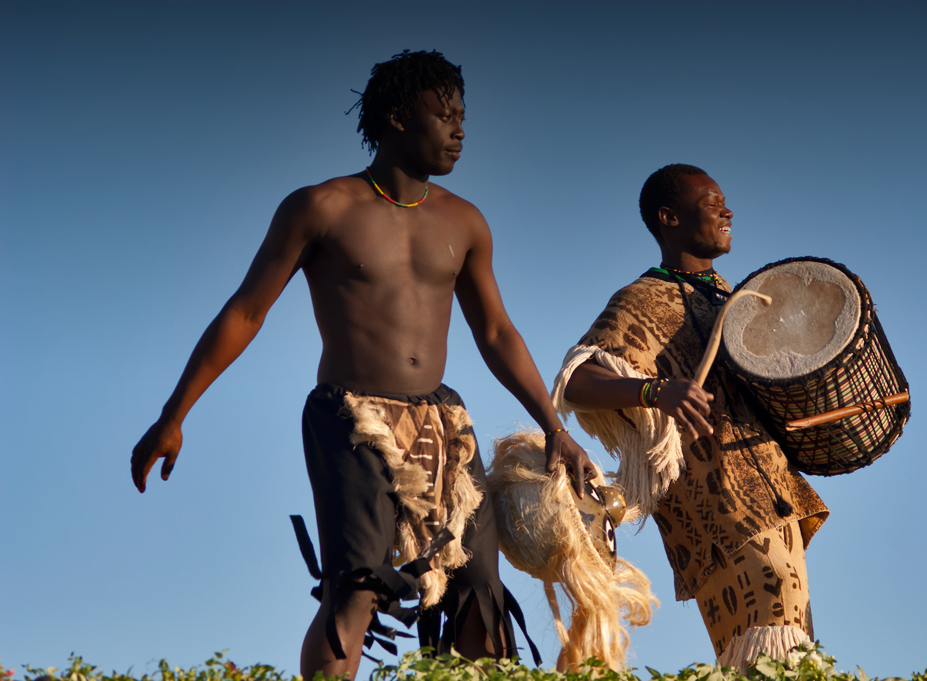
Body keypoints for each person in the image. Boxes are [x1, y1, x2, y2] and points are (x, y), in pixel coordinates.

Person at [131, 50, 595, 679]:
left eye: (463, 114)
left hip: (443, 421)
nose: (460, 129)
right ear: (398, 118)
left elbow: (496, 331)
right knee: (358, 584)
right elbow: (246, 311)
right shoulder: (321, 208)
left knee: (475, 583)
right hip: (350, 415)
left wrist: (556, 430)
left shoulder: (465, 222)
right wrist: (173, 414)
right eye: (443, 114)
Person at [551, 164, 829, 669]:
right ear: (669, 218)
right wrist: (655, 390)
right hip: (715, 508)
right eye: (711, 202)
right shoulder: (641, 299)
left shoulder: (734, 297)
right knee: (780, 649)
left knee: (768, 652)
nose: (727, 211)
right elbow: (576, 381)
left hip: (769, 494)